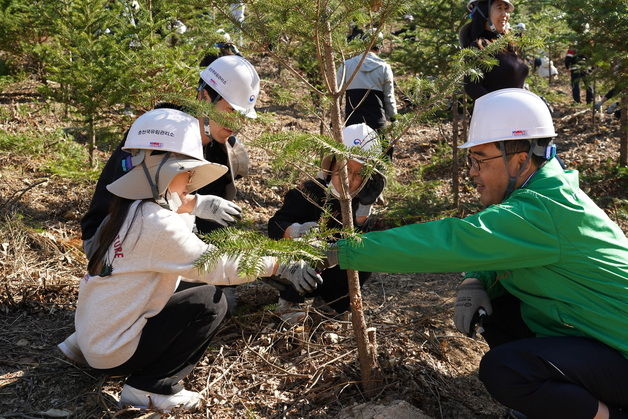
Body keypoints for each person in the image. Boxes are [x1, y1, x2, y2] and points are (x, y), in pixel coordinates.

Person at [325, 89, 628, 418]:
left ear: (520, 159)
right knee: (500, 310)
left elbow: (452, 240)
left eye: (480, 160)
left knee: (505, 370)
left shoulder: (541, 210)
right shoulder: (546, 193)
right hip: (600, 339)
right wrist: (477, 279)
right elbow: (504, 249)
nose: (471, 172)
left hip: (620, 352)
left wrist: (338, 252)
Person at [64, 111, 322, 412]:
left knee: (183, 283)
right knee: (209, 300)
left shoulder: (129, 209)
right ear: (164, 171)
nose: (190, 183)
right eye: (187, 174)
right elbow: (216, 264)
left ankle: (105, 354)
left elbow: (172, 236)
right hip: (111, 350)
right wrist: (281, 263)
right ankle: (150, 387)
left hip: (94, 336)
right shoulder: (156, 223)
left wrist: (192, 204)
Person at [80, 55, 259, 255]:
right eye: (230, 111)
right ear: (204, 98)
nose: (235, 124)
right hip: (108, 238)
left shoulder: (220, 148)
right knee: (181, 223)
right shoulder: (160, 130)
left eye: (242, 116)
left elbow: (213, 224)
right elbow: (137, 206)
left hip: (164, 239)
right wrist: (194, 204)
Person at [267, 124, 386, 315]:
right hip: (295, 270)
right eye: (345, 169)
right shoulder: (309, 192)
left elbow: (365, 251)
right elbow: (274, 225)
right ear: (332, 165)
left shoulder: (360, 204)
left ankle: (332, 304)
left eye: (359, 174)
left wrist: (363, 217)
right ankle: (290, 302)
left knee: (364, 250)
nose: (350, 180)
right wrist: (295, 231)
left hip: (333, 274)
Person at [459, 0, 529, 100]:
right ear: (485, 13)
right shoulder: (477, 47)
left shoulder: (508, 42)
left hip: (517, 111)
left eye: (506, 9)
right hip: (494, 113)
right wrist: (498, 106)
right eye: (499, 8)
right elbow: (472, 87)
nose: (505, 14)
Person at [336, 30, 397, 134]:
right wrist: (394, 119)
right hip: (377, 123)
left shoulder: (346, 65)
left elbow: (336, 95)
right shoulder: (384, 67)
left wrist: (335, 120)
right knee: (384, 149)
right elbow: (389, 97)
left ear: (362, 44)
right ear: (380, 47)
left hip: (352, 123)